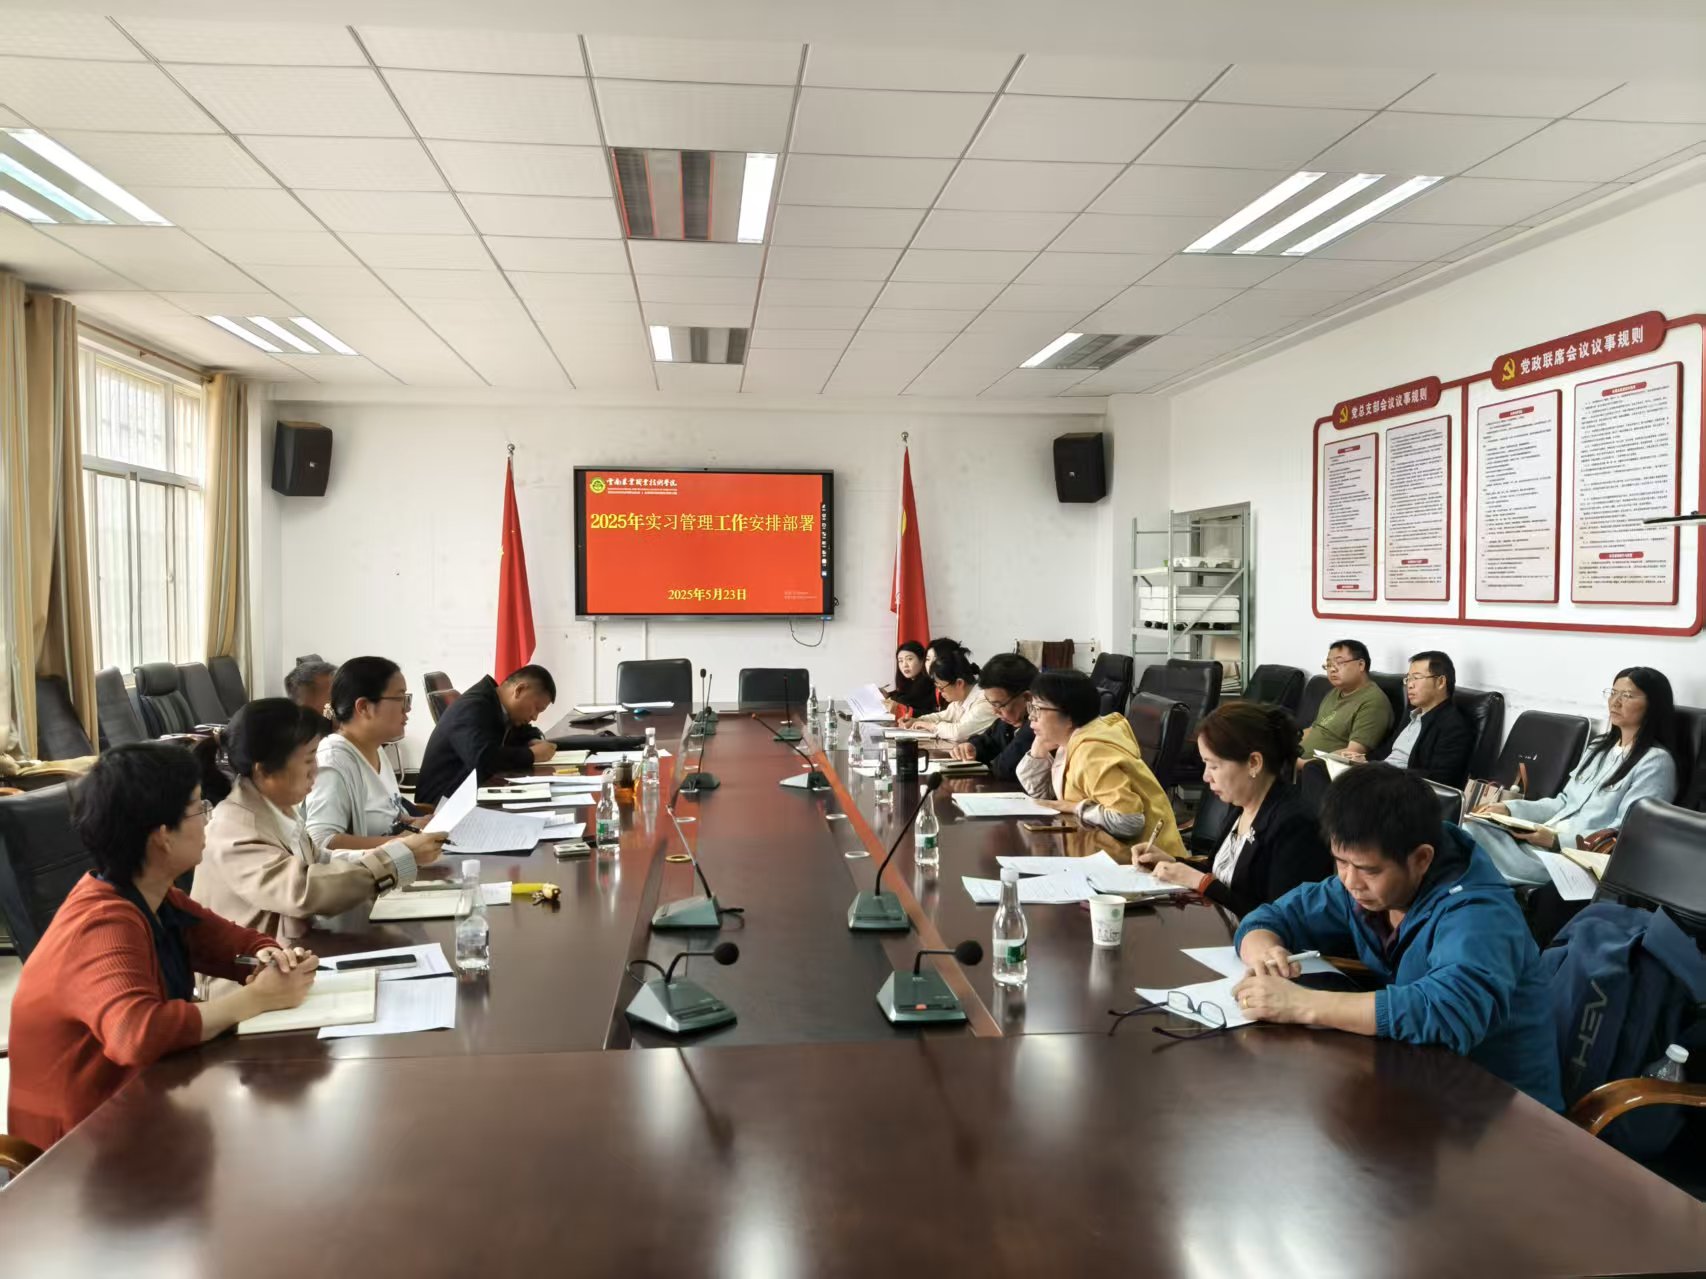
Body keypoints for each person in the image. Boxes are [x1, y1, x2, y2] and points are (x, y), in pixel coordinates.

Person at [7, 743, 317, 1149]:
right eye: (198, 808)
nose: (207, 819)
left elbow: (238, 943)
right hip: (77, 1145)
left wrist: (269, 957)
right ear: (162, 837)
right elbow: (137, 1034)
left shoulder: (157, 897)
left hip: (143, 1105)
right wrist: (257, 999)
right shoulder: (102, 923)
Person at [1231, 764, 1562, 1110]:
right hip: (1417, 1082)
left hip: (1503, 1110)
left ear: (1421, 859)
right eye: (1340, 862)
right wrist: (1265, 953)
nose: (1350, 881)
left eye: (1368, 870)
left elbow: (1448, 1011)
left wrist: (1299, 1004)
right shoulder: (1365, 885)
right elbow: (1272, 917)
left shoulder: (1479, 914)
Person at [194, 699, 436, 940]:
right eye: (309, 760)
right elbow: (304, 891)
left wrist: (394, 850)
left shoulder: (276, 808)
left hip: (292, 949)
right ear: (264, 770)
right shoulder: (235, 831)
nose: (316, 770)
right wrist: (393, 862)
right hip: (252, 963)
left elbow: (319, 859)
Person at [1467, 667, 1678, 886]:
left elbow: (1625, 832)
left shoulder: (1655, 762)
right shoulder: (1598, 748)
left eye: (1627, 695)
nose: (1615, 702)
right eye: (1613, 693)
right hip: (1542, 841)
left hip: (1575, 858)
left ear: (1653, 705)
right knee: (1473, 827)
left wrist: (1557, 840)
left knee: (1470, 850)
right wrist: (1509, 810)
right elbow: (1563, 802)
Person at [1136, 701, 1328, 914]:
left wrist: (1201, 882)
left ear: (1254, 763)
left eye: (1214, 766)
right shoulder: (1242, 806)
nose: (1206, 777)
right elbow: (1220, 873)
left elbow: (1281, 917)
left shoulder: (1296, 825)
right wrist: (1171, 862)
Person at [1015, 669, 1184, 855]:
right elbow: (1043, 797)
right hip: (1105, 851)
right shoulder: (1072, 740)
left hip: (1149, 861)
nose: (1031, 717)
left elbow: (1128, 821)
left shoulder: (1092, 752)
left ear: (1069, 716)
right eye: (1031, 708)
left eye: (1038, 709)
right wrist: (1039, 749)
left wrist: (1075, 807)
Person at [306, 657, 449, 858]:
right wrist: (404, 844)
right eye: (400, 698)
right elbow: (321, 842)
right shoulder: (333, 762)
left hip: (396, 865)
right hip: (370, 873)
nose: (407, 708)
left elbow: (385, 814)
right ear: (364, 707)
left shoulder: (374, 747)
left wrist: (411, 823)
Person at [414, 664, 557, 806]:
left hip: (471, 793)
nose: (535, 717)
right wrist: (531, 755)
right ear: (519, 690)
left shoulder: (499, 705)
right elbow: (482, 759)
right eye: (536, 708)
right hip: (441, 804)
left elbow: (525, 731)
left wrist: (533, 739)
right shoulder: (473, 707)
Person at [1300, 639, 1392, 763]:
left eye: (1339, 663)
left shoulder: (1373, 702)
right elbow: (1314, 730)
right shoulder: (1334, 692)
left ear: (1361, 665)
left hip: (1322, 769)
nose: (1332, 669)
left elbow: (1353, 753)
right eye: (1329, 664)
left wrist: (1302, 764)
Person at [950, 652, 1037, 781]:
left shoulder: (1039, 726)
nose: (995, 711)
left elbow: (1005, 768)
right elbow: (988, 741)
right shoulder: (1006, 723)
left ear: (1027, 697)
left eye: (999, 705)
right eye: (991, 703)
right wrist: (972, 748)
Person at [910, 648, 997, 743]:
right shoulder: (960, 700)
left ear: (959, 683)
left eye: (941, 687)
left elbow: (958, 733)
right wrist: (917, 720)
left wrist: (930, 726)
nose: (939, 692)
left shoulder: (985, 700)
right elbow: (943, 716)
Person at [883, 641, 935, 719]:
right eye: (900, 661)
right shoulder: (907, 684)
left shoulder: (932, 684)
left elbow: (935, 714)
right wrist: (887, 695)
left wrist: (902, 710)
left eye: (909, 659)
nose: (904, 665)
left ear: (922, 660)